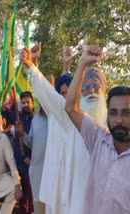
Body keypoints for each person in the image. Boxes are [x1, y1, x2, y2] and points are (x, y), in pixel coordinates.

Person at [20, 44, 107, 214]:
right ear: (80, 92)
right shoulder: (71, 116)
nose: (92, 92)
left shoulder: (112, 121)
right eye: (87, 87)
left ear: (104, 90)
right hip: (70, 195)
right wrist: (31, 67)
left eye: (97, 87)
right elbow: (48, 93)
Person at [65, 46, 130, 214]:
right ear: (108, 115)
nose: (119, 120)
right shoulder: (98, 139)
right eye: (114, 113)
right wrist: (82, 64)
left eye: (126, 113)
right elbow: (71, 108)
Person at [4, 91, 35, 214]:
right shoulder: (18, 116)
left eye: (28, 102)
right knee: (21, 197)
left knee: (31, 195)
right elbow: (4, 112)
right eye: (23, 103)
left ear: (32, 103)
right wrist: (3, 97)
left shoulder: (37, 119)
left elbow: (38, 143)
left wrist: (30, 157)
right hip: (19, 164)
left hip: (31, 164)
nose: (25, 105)